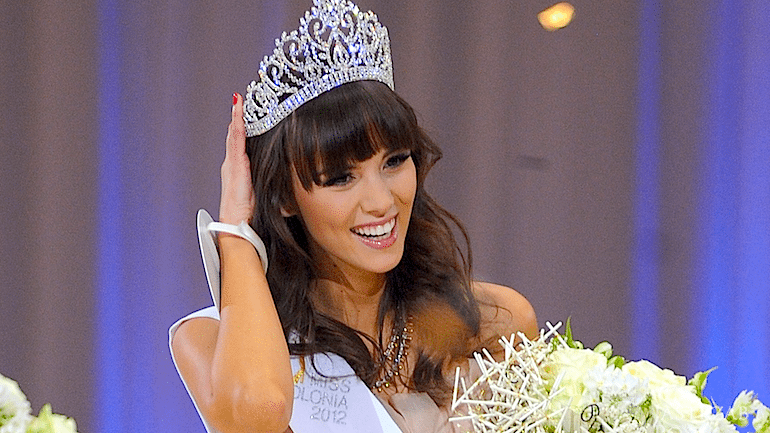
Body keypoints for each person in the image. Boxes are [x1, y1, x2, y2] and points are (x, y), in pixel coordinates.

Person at [169, 0, 538, 432]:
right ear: (284, 197)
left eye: (394, 161)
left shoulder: (494, 323)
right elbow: (262, 410)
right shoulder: (208, 341)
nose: (380, 201)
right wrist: (236, 232)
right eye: (341, 178)